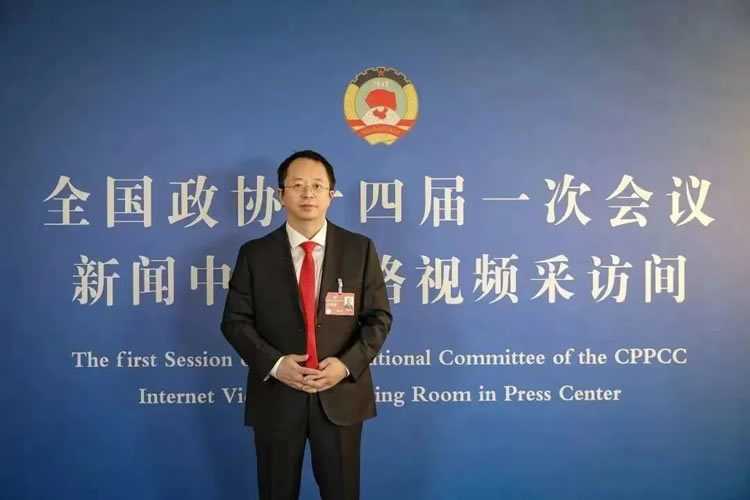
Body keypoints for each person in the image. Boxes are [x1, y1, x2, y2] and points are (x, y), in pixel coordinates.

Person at [221, 150, 392, 500]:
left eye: (317, 185)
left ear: (331, 194)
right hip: (277, 398)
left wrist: (345, 366)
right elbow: (235, 321)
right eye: (297, 185)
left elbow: (378, 318)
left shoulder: (359, 249)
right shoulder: (255, 254)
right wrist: (276, 364)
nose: (308, 193)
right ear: (281, 195)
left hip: (340, 397)